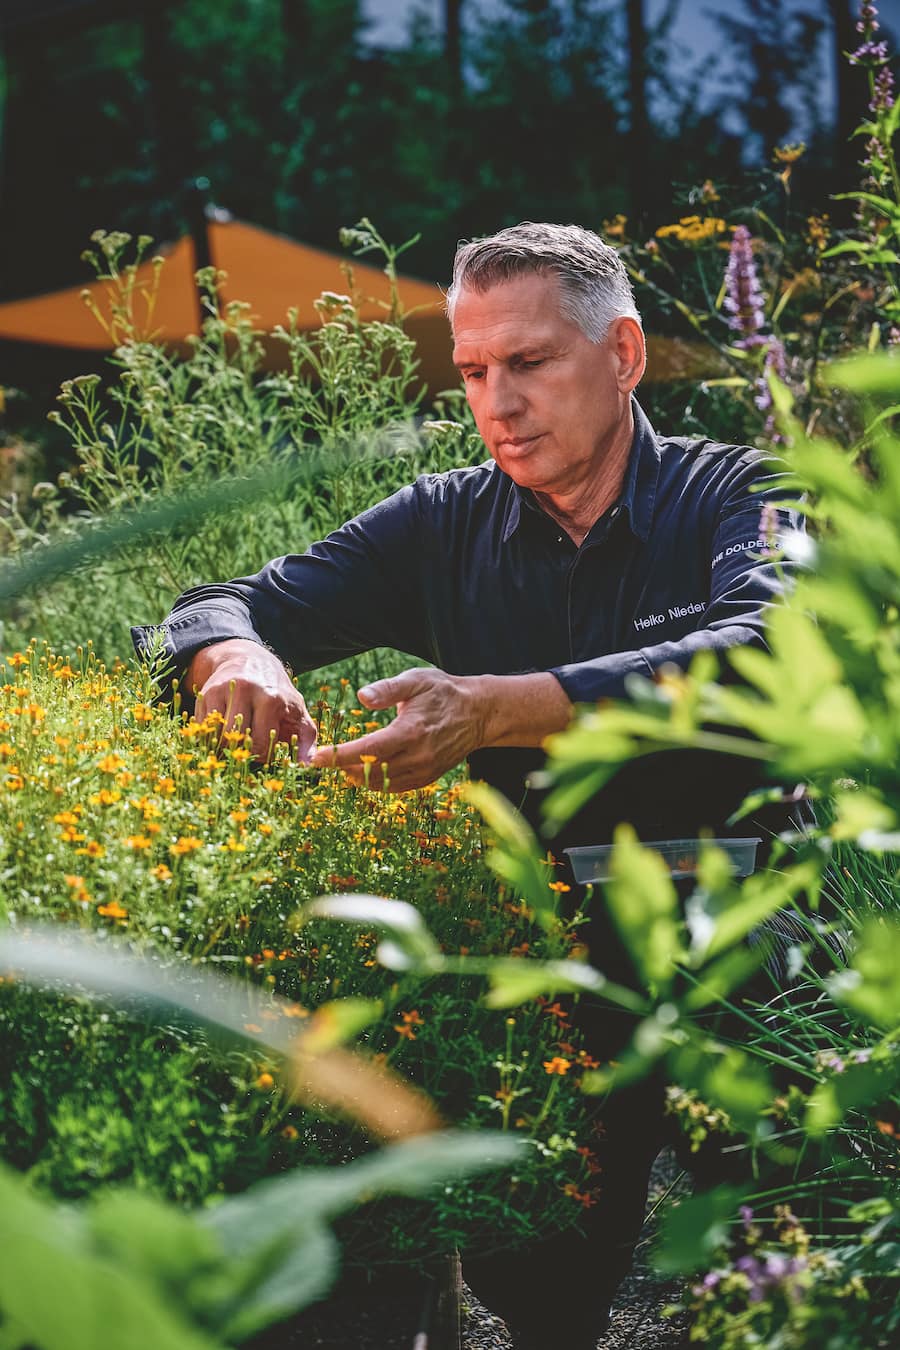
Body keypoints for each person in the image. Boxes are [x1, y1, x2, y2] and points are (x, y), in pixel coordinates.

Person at [133, 222, 805, 1348]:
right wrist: (236, 657)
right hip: (543, 967)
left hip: (747, 945)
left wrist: (495, 707)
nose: (499, 403)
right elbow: (207, 606)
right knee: (541, 1292)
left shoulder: (746, 489)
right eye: (474, 371)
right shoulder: (441, 522)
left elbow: (771, 649)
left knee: (788, 1271)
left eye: (529, 362)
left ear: (624, 354)